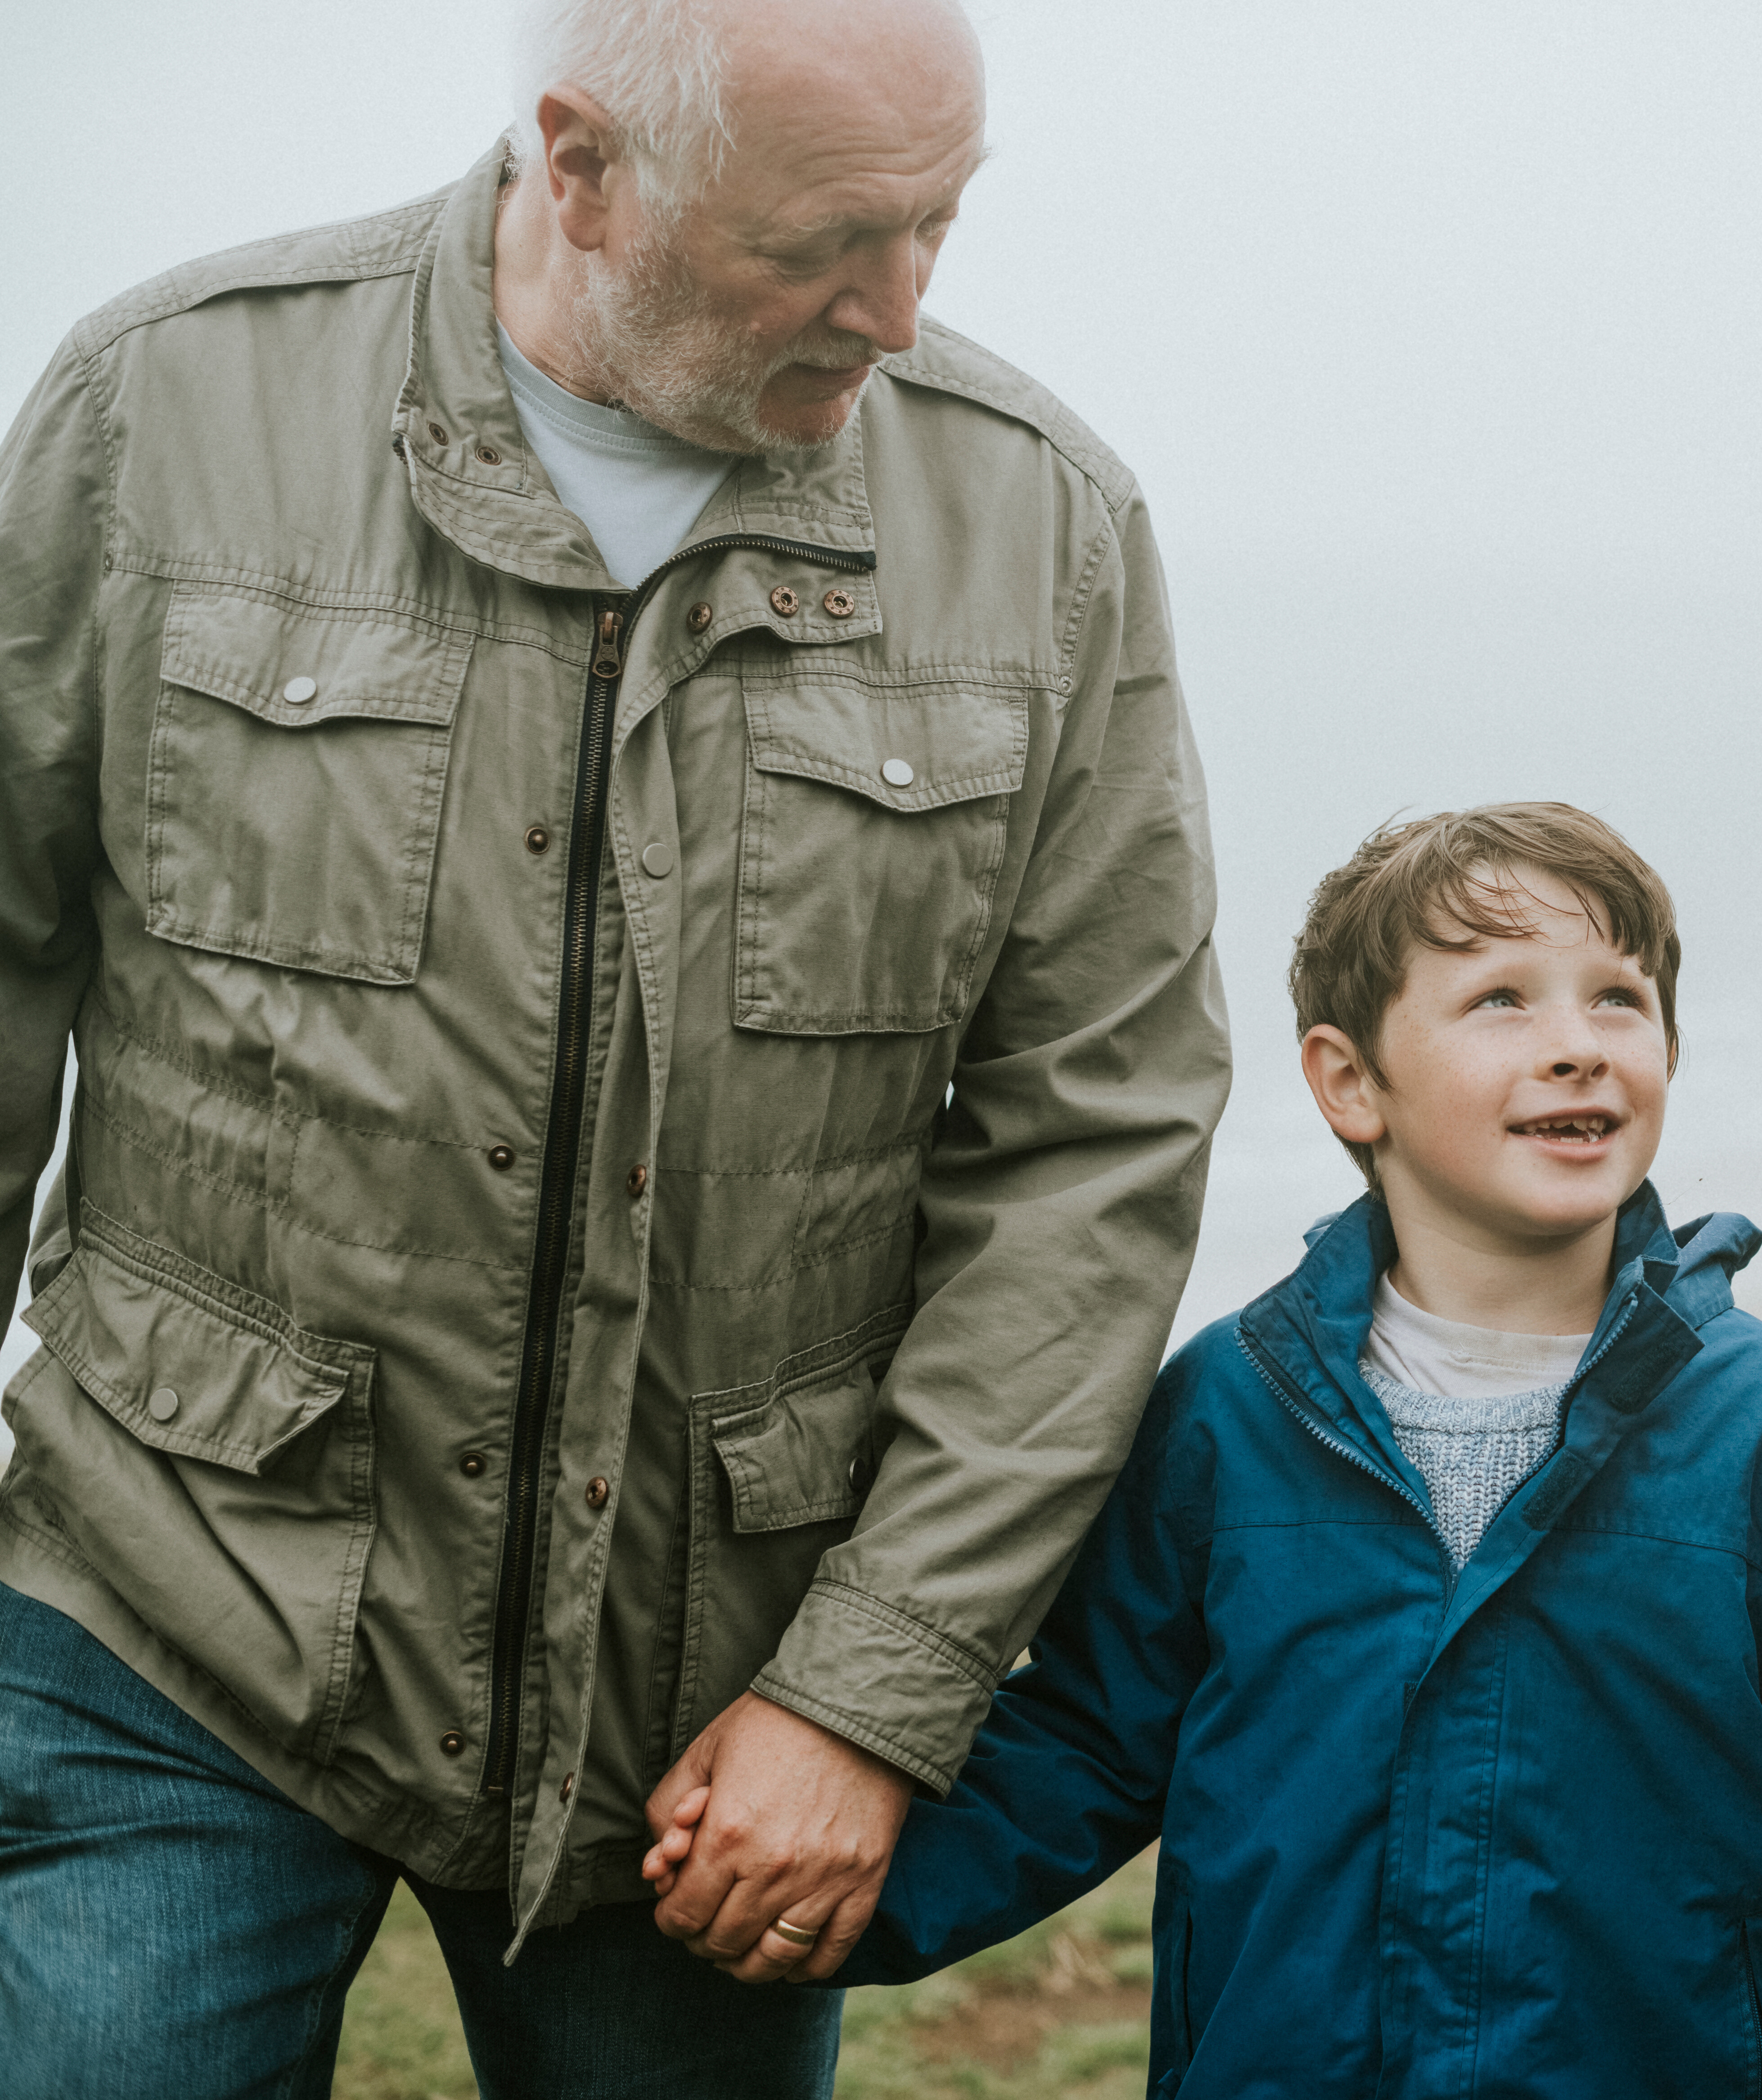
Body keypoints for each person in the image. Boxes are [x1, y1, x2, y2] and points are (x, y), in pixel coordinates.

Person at [0, 0, 1228, 2091]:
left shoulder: (1045, 527)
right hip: (166, 1619)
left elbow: (1094, 1142)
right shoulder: (160, 411)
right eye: (829, 239)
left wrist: (871, 1689)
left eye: (940, 224)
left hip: (722, 1709)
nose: (903, 315)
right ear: (579, 169)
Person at [651, 803, 1762, 2094]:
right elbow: (1077, 1751)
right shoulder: (1228, 1409)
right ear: (1350, 1081)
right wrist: (831, 1885)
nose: (1578, 1045)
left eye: (1619, 998)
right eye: (1502, 1001)